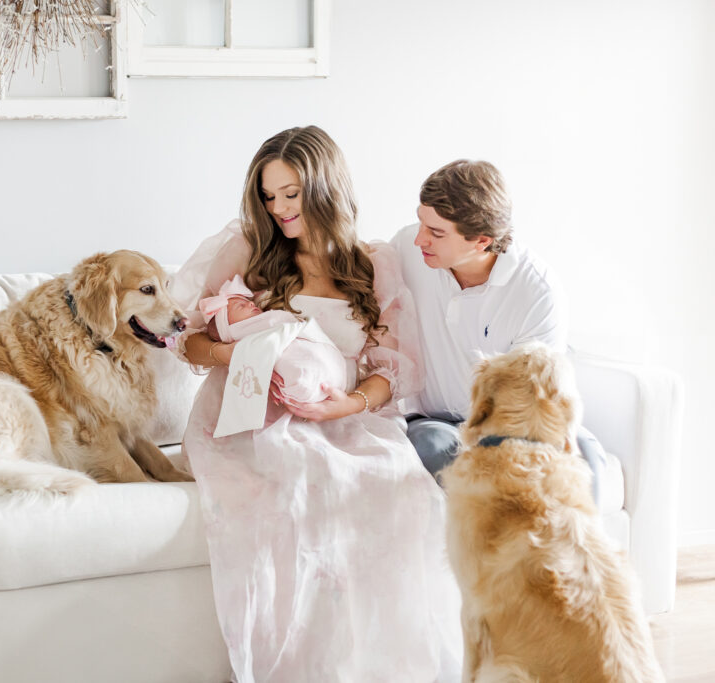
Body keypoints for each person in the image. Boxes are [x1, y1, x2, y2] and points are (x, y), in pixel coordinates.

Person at [170, 126, 462, 682]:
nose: (278, 209)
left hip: (342, 417)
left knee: (396, 491)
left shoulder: (372, 263)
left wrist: (346, 405)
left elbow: (388, 370)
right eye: (268, 195)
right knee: (300, 484)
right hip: (250, 418)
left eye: (291, 194)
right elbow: (188, 340)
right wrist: (238, 354)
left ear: (325, 188)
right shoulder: (250, 253)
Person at [391, 159, 606, 502]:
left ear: (481, 241)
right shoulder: (406, 249)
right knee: (430, 447)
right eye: (421, 222)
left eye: (436, 232)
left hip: (516, 426)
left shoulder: (537, 291)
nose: (420, 239)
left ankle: (563, 554)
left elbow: (532, 403)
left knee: (585, 464)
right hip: (433, 421)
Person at [200, 274, 349, 410]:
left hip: (325, 387)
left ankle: (308, 384)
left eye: (248, 302)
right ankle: (306, 382)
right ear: (229, 328)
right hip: (297, 374)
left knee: (308, 358)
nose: (251, 304)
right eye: (241, 306)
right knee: (298, 363)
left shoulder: (255, 323)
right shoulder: (243, 332)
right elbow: (278, 321)